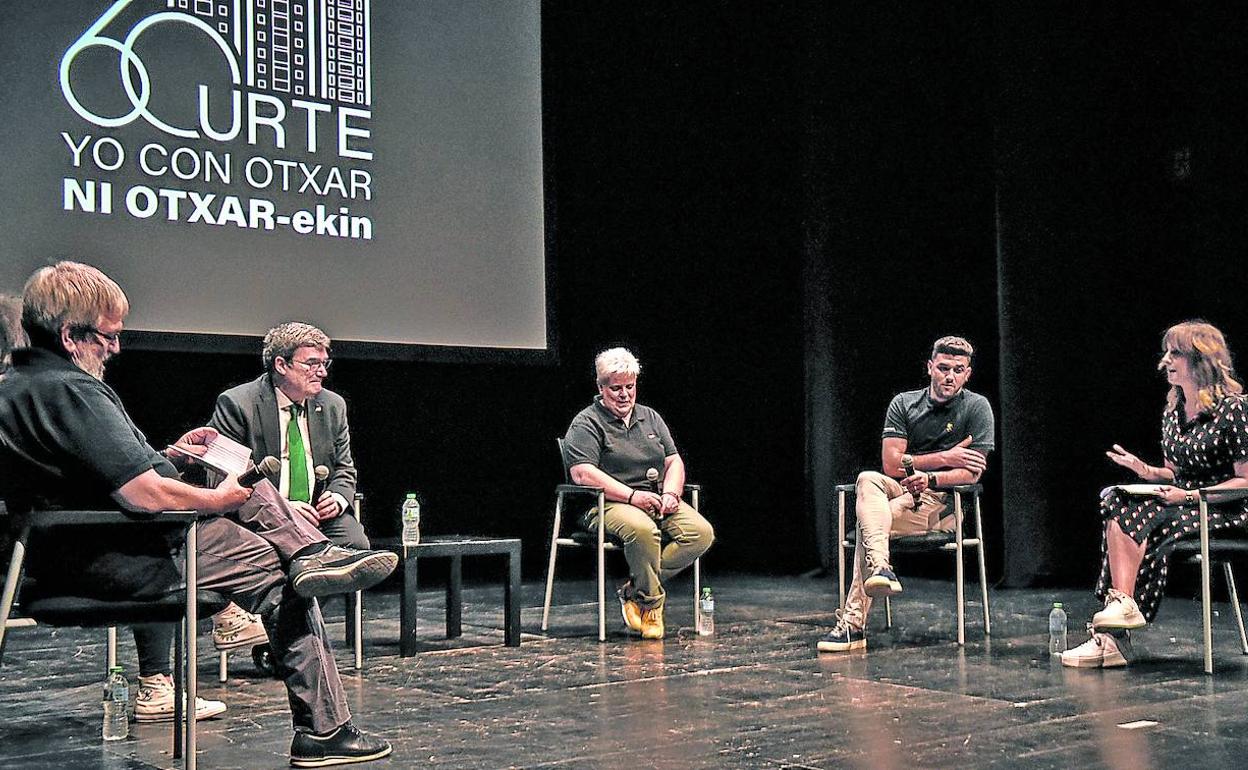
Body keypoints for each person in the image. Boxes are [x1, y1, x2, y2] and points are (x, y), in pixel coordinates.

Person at [0, 261, 397, 766]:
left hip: (70, 551)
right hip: (120, 558)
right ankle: (324, 726)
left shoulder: (20, 384)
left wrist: (178, 455)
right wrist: (218, 500)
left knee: (238, 478)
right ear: (71, 335)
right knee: (278, 564)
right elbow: (144, 495)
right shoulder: (73, 390)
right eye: (109, 336)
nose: (117, 349)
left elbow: (103, 471)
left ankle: (313, 556)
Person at [1062, 321, 1248, 668]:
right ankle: (1121, 609)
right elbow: (1175, 474)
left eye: (1175, 353)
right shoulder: (1173, 411)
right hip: (1182, 504)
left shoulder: (1234, 409)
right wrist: (1145, 472)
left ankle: (1111, 637)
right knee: (1117, 501)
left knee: (1144, 522)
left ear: (1201, 359)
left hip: (1224, 509)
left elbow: (1245, 481)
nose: (1166, 360)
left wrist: (1190, 497)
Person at [818, 335, 995, 653]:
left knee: (866, 526)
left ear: (967, 374)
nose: (949, 376)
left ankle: (854, 625)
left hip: (943, 501)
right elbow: (890, 463)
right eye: (943, 368)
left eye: (958, 369)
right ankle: (881, 568)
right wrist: (945, 457)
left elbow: (972, 472)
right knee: (867, 479)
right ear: (930, 368)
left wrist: (930, 476)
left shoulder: (977, 407)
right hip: (902, 489)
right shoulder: (904, 403)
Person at [205, 321, 368, 653]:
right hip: (261, 514)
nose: (321, 373)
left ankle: (286, 632)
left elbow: (344, 467)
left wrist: (337, 496)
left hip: (317, 511)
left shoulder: (333, 406)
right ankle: (289, 635)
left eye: (325, 365)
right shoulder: (238, 403)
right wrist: (282, 506)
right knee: (278, 556)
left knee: (353, 545)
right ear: (281, 364)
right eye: (312, 364)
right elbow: (223, 471)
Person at [562, 347, 715, 640]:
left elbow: (673, 461)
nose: (624, 395)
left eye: (629, 387)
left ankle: (634, 590)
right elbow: (582, 473)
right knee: (643, 530)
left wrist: (671, 493)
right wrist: (632, 497)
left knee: (700, 532)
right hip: (606, 503)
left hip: (655, 498)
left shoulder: (650, 418)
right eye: (616, 388)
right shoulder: (586, 422)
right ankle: (651, 605)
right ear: (601, 388)